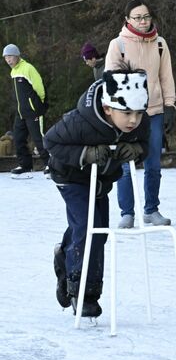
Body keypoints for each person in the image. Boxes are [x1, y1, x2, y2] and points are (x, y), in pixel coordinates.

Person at [47, 69, 150, 318]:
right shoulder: (81, 122)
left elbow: (147, 143)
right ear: (107, 108)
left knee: (99, 232)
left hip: (101, 180)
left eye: (138, 113)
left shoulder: (139, 123)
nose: (134, 120)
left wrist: (136, 150)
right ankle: (83, 292)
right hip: (70, 177)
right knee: (88, 226)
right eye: (127, 113)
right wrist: (85, 154)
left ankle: (64, 255)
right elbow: (51, 141)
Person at [105, 0, 176, 228]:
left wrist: (170, 105)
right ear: (127, 19)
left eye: (146, 17)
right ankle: (127, 212)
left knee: (153, 164)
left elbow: (166, 76)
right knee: (126, 165)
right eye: (137, 18)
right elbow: (111, 80)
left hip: (153, 111)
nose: (143, 21)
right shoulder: (118, 45)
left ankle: (151, 209)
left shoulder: (160, 44)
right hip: (126, 114)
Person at [3, 43, 49, 175]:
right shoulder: (13, 71)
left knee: (38, 138)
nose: (8, 60)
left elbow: (39, 87)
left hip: (34, 111)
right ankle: (25, 165)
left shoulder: (28, 68)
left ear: (17, 56)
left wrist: (39, 105)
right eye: (6, 57)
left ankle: (50, 164)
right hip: (21, 112)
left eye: (10, 56)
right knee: (18, 138)